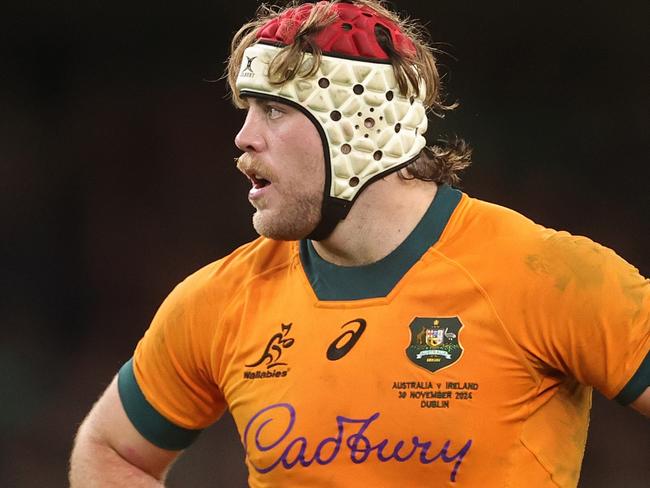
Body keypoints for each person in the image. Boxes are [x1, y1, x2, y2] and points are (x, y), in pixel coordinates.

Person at [69, 1, 649, 486]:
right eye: (247, 110)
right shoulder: (218, 301)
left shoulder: (547, 275)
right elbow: (109, 451)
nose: (243, 138)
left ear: (359, 125)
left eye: (273, 110)